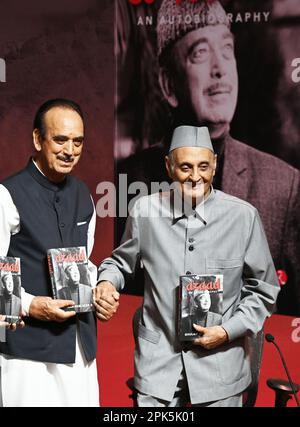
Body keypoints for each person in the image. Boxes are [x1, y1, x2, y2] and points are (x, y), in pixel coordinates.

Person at [117, 0, 300, 315]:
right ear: (167, 84)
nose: (220, 68)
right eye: (200, 53)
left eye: (227, 50)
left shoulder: (283, 184)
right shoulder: (131, 180)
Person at [99, 125, 280, 407]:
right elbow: (119, 264)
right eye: (185, 167)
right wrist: (107, 282)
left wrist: (228, 330)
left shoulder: (243, 217)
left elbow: (265, 289)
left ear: (215, 165)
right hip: (158, 366)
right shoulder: (144, 212)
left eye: (203, 166)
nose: (195, 176)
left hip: (220, 368)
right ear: (169, 166)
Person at [0, 98, 119, 407]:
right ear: (38, 139)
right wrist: (30, 305)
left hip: (81, 347)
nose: (70, 150)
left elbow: (85, 263)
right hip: (28, 353)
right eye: (60, 139)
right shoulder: (6, 194)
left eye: (77, 141)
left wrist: (99, 292)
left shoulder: (83, 194)